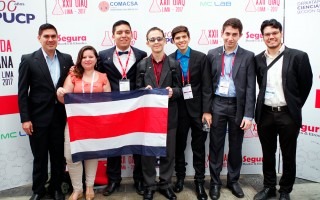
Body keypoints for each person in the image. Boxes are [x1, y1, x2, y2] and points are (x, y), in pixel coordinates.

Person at [253, 19, 313, 200]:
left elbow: (306, 85)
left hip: (288, 114)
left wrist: (294, 106)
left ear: (281, 34)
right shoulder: (258, 59)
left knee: (288, 154)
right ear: (262, 37)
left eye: (274, 33)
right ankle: (269, 187)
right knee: (268, 153)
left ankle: (285, 190)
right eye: (267, 34)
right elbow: (260, 85)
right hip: (265, 113)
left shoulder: (298, 56)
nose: (271, 37)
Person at [18, 23, 74, 200]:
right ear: (39, 38)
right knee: (40, 157)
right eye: (46, 36)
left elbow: (72, 84)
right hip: (37, 118)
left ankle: (56, 189)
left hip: (59, 118)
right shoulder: (28, 59)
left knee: (58, 157)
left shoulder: (67, 59)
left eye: (53, 36)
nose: (50, 40)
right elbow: (22, 92)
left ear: (58, 38)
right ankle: (38, 190)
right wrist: (25, 119)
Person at [206, 18, 256, 200]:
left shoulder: (248, 56)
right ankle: (215, 183)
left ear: (240, 35)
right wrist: (207, 110)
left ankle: (233, 181)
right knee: (216, 145)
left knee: (236, 146)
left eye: (235, 34)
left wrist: (248, 114)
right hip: (217, 104)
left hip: (237, 106)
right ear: (222, 34)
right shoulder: (211, 54)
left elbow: (251, 87)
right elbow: (207, 85)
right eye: (227, 34)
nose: (230, 38)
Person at [97, 20, 147, 196]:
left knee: (137, 145)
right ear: (113, 36)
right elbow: (96, 78)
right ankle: (113, 181)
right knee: (113, 145)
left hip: (135, 108)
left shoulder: (142, 54)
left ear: (132, 35)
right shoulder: (102, 56)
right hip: (112, 109)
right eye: (119, 32)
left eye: (127, 32)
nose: (123, 35)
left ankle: (139, 180)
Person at [56, 45, 111, 200]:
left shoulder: (103, 77)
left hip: (95, 124)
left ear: (95, 59)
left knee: (91, 155)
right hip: (75, 123)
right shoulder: (73, 75)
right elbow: (63, 99)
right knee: (70, 156)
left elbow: (108, 100)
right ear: (80, 59)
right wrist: (60, 92)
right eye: (84, 57)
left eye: (90, 56)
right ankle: (77, 189)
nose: (87, 59)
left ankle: (89, 187)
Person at [136, 26, 182, 200]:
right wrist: (143, 90)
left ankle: (165, 184)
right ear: (147, 43)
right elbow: (135, 89)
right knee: (147, 153)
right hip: (147, 118)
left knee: (168, 152)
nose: (156, 42)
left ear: (164, 40)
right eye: (152, 39)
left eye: (159, 39)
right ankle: (149, 185)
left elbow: (181, 89)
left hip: (169, 115)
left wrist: (173, 92)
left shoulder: (174, 64)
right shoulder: (141, 65)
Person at [169, 25, 212, 200]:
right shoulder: (170, 59)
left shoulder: (201, 58)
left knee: (199, 147)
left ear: (189, 37)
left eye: (183, 37)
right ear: (173, 40)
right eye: (177, 38)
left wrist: (207, 111)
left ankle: (199, 182)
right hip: (178, 110)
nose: (181, 40)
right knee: (179, 147)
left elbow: (207, 86)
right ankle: (179, 178)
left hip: (198, 111)